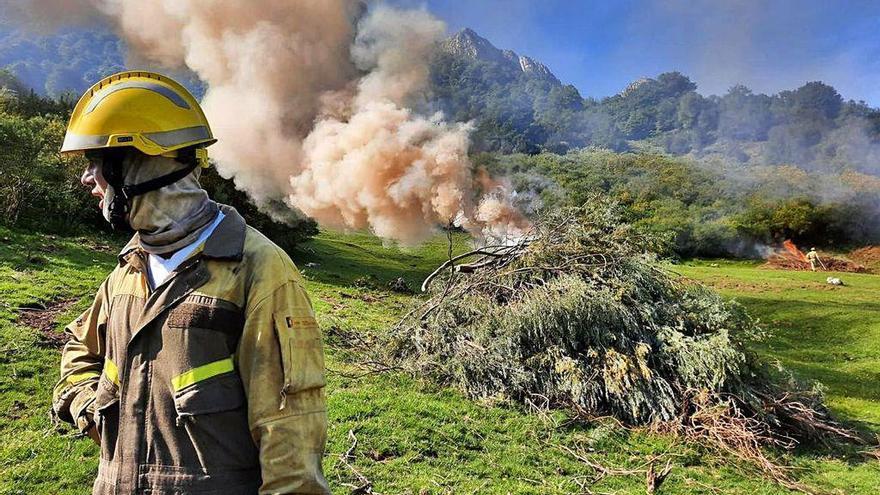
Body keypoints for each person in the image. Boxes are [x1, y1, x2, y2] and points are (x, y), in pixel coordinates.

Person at [51, 71, 329, 495]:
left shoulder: (257, 271)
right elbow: (79, 351)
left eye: (97, 162)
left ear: (142, 163)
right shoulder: (127, 269)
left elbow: (290, 436)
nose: (88, 178)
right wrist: (92, 409)